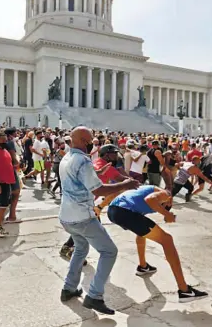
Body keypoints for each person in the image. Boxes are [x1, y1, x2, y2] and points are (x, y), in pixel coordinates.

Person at [59, 126, 139, 315]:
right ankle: (94, 295)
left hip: (66, 216)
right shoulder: (82, 160)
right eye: (87, 141)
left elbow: (82, 182)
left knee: (80, 248)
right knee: (109, 251)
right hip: (82, 216)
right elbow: (98, 191)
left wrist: (100, 174)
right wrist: (125, 184)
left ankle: (69, 288)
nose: (89, 145)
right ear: (80, 140)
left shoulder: (66, 157)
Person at [108, 185, 209, 301]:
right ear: (169, 200)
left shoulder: (141, 191)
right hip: (125, 213)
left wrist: (100, 207)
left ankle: (143, 266)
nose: (166, 207)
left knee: (142, 232)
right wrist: (167, 214)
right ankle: (184, 290)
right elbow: (150, 200)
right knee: (167, 240)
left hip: (113, 212)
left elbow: (123, 193)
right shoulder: (165, 194)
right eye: (167, 207)